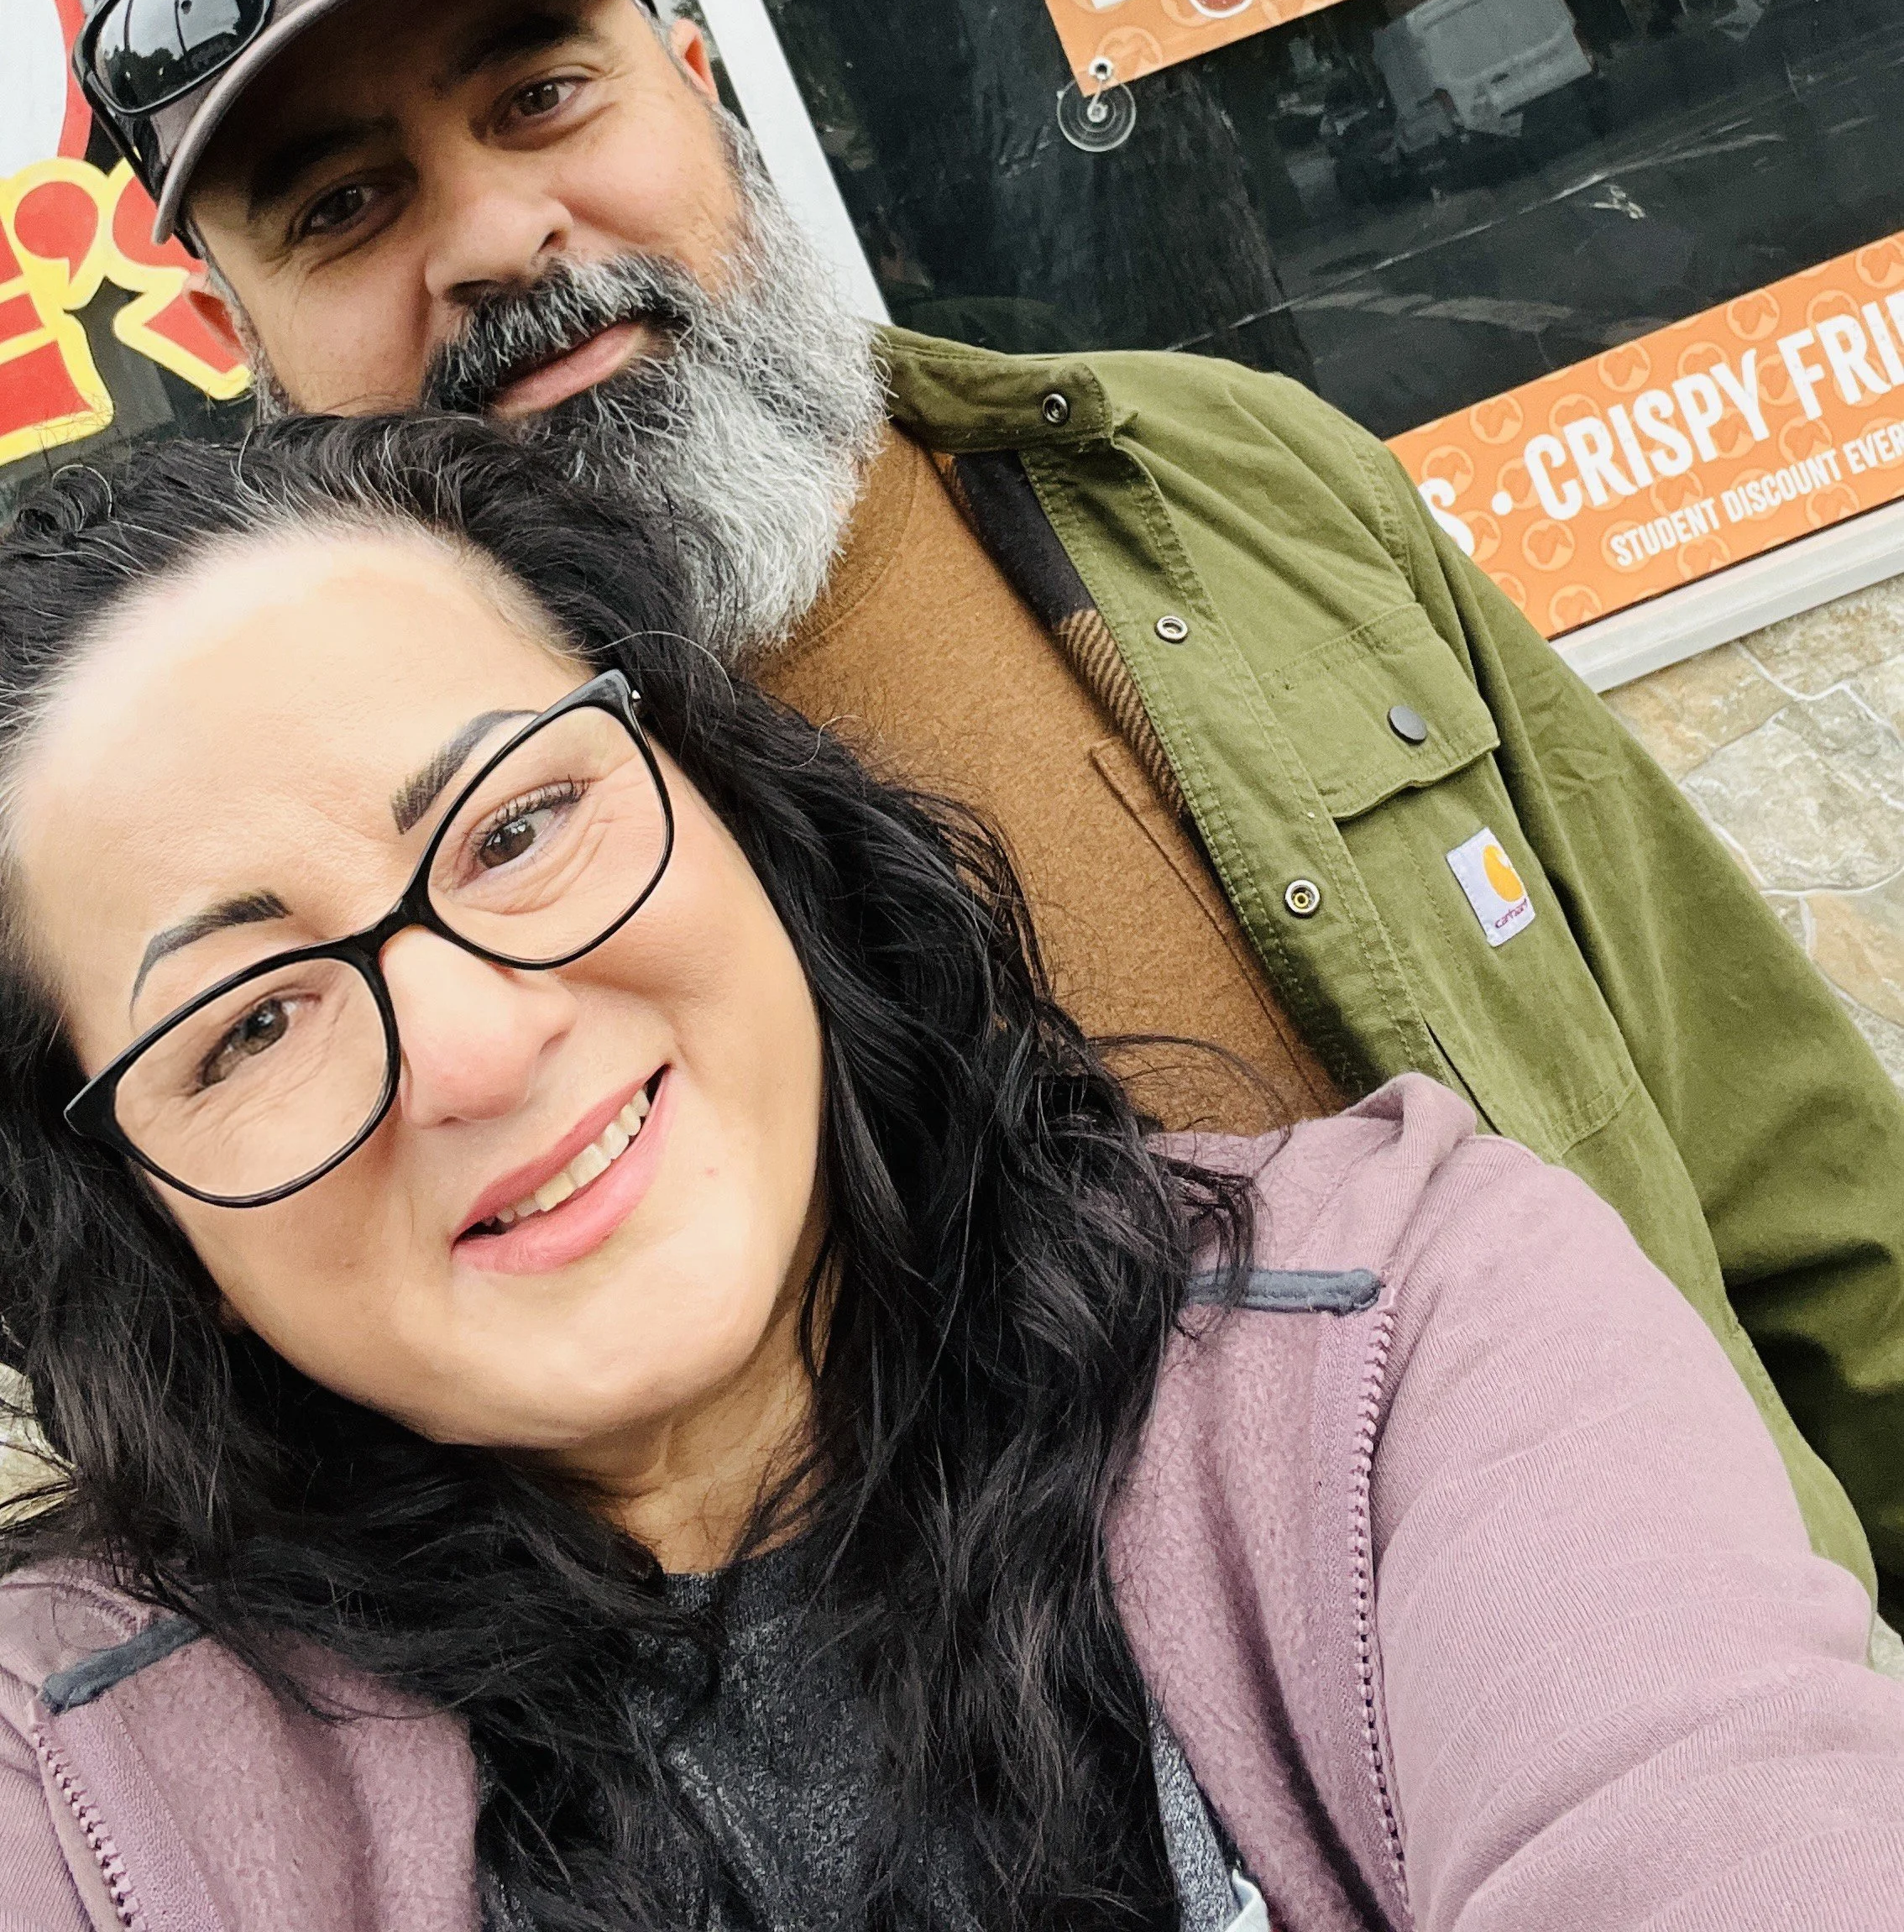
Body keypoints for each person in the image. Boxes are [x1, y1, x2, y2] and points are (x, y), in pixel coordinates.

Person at [74, 0, 1904, 1620]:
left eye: (540, 95)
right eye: (343, 206)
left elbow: (1781, 1163)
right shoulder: (321, 929)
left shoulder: (1221, 480)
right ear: (240, 347)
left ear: (698, 90)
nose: (489, 236)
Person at [0, 413, 1897, 1932]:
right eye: (249, 1024)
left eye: (522, 823)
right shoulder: (76, 1782)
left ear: (736, 803)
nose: (482, 1045)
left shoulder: (1412, 1343)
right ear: (117, 1206)